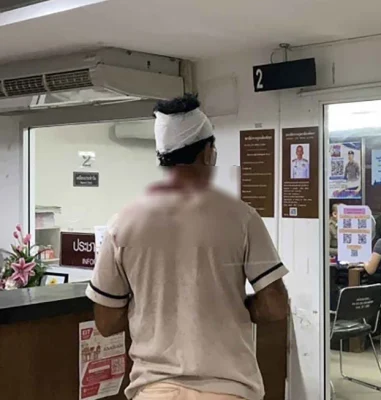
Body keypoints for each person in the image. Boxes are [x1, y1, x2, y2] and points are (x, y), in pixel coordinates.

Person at [85, 94, 289, 400]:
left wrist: (153, 307)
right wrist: (239, 307)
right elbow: (274, 306)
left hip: (154, 390)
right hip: (228, 389)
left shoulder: (122, 223)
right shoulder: (242, 217)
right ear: (207, 154)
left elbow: (105, 321)